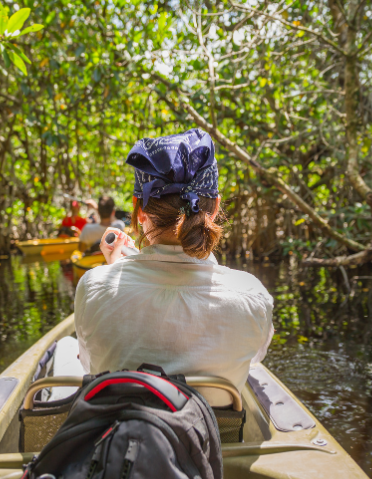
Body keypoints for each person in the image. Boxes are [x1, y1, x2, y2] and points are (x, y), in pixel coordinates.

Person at [74, 128, 274, 406]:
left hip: (121, 429)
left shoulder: (94, 286)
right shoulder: (252, 295)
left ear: (139, 210)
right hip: (212, 432)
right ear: (215, 207)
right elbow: (253, 359)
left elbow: (90, 365)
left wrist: (113, 270)